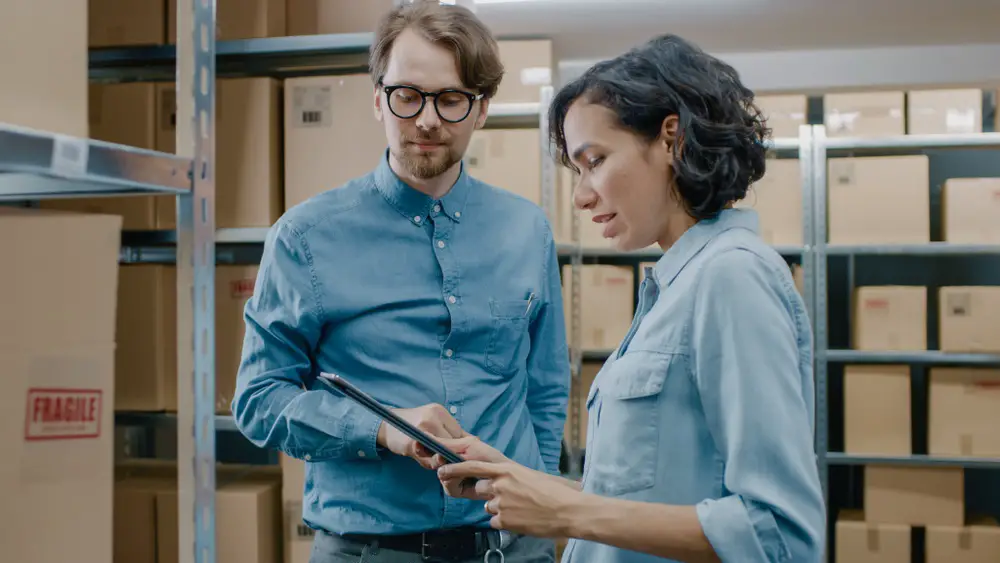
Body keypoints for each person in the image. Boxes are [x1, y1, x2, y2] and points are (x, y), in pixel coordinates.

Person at [433, 34, 827, 563]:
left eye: (593, 160)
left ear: (671, 140)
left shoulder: (731, 278)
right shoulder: (676, 285)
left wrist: (569, 514)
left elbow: (780, 534)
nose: (580, 194)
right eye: (576, 171)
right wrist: (525, 484)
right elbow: (655, 499)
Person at [230, 2, 569, 562]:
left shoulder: (527, 229)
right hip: (370, 550)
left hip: (514, 549)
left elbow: (546, 386)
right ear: (376, 98)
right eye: (407, 95)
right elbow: (260, 400)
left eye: (451, 99)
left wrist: (539, 494)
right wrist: (383, 429)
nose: (428, 119)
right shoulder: (306, 236)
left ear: (481, 110)